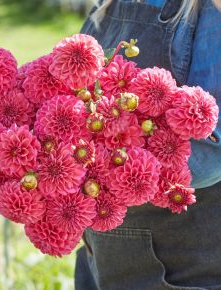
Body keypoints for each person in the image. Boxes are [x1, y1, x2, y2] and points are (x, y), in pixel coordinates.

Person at [74, 0, 221, 289]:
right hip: (104, 260)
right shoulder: (108, 4)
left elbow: (210, 149)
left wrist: (92, 161)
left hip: (181, 269)